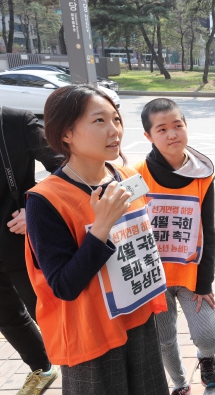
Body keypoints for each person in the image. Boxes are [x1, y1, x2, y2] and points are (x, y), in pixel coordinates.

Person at [24, 85, 169, 394]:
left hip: (139, 319)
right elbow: (64, 285)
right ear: (66, 134)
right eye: (99, 121)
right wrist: (101, 227)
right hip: (92, 336)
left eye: (116, 118)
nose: (114, 129)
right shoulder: (45, 199)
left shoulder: (125, 175)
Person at [135, 98, 215, 395]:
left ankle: (206, 357)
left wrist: (204, 282)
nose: (172, 134)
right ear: (148, 136)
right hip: (153, 279)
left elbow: (207, 230)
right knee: (164, 339)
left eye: (177, 125)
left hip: (190, 274)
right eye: (162, 129)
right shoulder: (136, 175)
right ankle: (180, 383)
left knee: (208, 335)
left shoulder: (203, 174)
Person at [0, 106, 61, 394]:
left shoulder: (14, 122)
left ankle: (80, 367)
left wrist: (33, 208)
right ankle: (42, 367)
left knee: (46, 311)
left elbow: (64, 165)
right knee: (6, 317)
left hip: (19, 241)